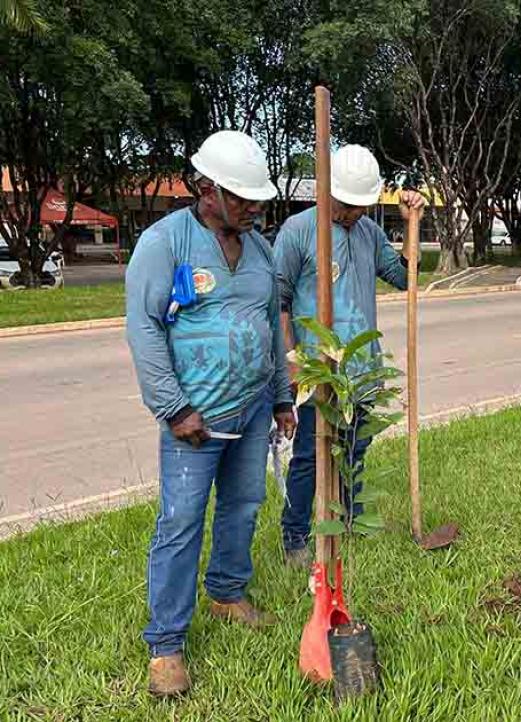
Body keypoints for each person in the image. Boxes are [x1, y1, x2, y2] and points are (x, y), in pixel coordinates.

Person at [125, 130, 297, 697]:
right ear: (205, 189)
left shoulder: (262, 249)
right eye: (241, 197)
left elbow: (271, 327)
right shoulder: (164, 242)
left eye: (256, 199)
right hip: (193, 421)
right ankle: (166, 645)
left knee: (244, 506)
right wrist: (174, 408)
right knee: (179, 524)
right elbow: (144, 329)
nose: (252, 208)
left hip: (249, 413)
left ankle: (226, 593)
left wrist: (278, 397)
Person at [275, 144, 425, 565]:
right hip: (317, 371)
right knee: (309, 455)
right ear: (327, 192)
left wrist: (412, 221)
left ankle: (349, 518)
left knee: (356, 449)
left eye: (362, 205)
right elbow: (278, 302)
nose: (354, 213)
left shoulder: (369, 234)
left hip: (362, 369)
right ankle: (295, 538)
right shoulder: (298, 231)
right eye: (346, 204)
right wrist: (290, 362)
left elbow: (403, 277)